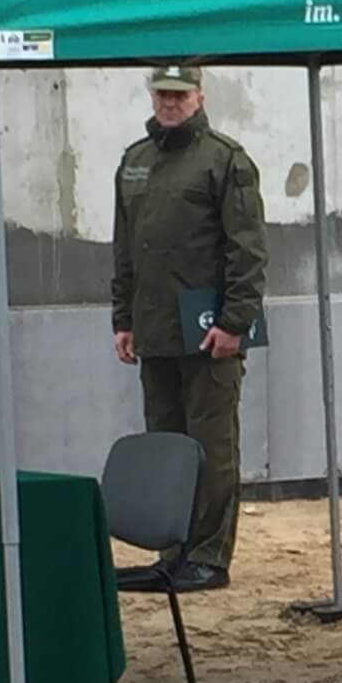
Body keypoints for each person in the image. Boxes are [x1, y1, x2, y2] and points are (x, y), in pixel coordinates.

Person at [110, 64, 268, 592]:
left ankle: (207, 555)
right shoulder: (134, 161)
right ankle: (171, 550)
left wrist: (235, 321)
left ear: (199, 96)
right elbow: (125, 248)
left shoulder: (224, 160)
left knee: (211, 447)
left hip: (207, 334)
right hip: (154, 331)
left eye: (179, 94)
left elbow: (247, 250)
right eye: (162, 93)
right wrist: (123, 319)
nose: (170, 103)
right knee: (166, 445)